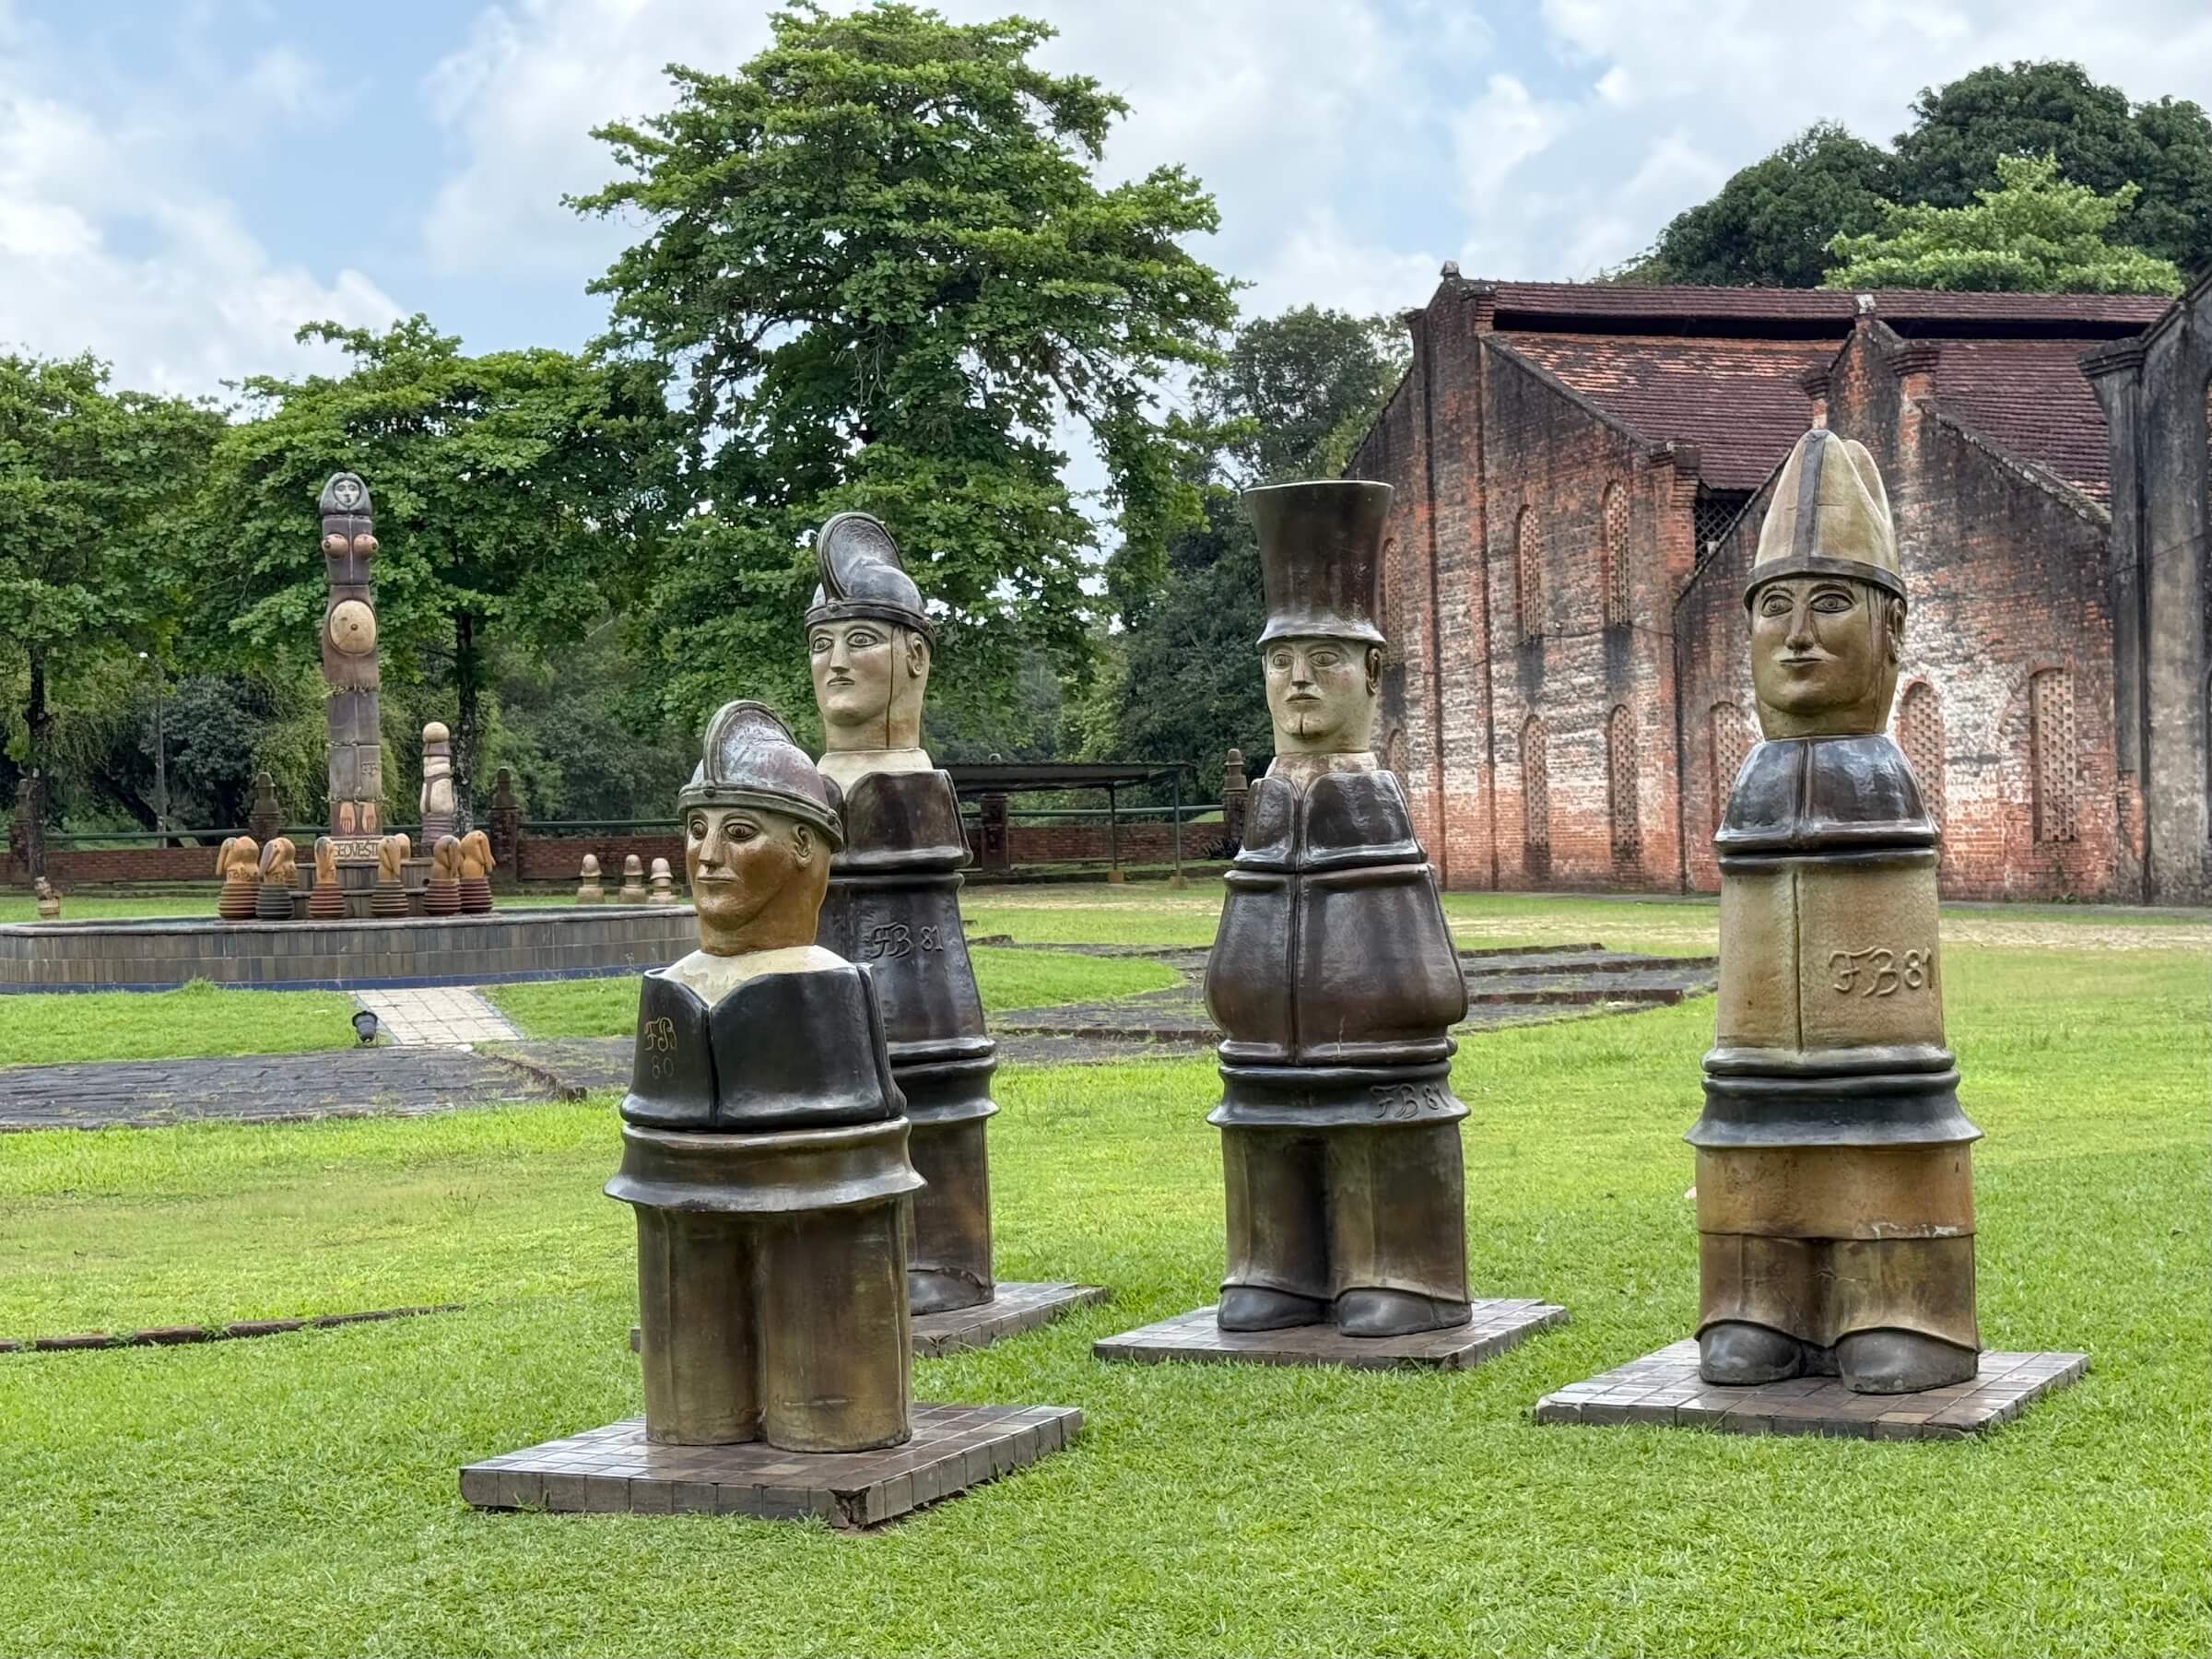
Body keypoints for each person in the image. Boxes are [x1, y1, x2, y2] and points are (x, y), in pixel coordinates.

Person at [1693, 428, 1980, 1394]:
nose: (1798, 635)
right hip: (1759, 1050)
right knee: (1752, 1149)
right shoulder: (1754, 781)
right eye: (1774, 608)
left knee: (1882, 1139)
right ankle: (1753, 1299)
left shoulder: (1881, 775)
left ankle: (1902, 1305)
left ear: (1890, 628)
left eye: (1829, 605)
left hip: (1877, 1039)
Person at [606, 700, 921, 1452]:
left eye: (739, 833)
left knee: (829, 1392)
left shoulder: (829, 984)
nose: (707, 855)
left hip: (822, 1206)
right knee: (690, 1405)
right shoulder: (673, 983)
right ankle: (702, 1414)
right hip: (680, 1195)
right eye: (696, 830)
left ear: (807, 851)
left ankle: (833, 1412)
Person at [1204, 480, 1473, 1339]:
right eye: (1281, 662)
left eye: (1324, 660)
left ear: (1372, 672)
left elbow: (1421, 954)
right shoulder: (1270, 796)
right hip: (1265, 1044)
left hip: (1370, 1047)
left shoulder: (1370, 793)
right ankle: (1273, 1267)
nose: (1300, 682)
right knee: (1264, 1133)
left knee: (1376, 1136)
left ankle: (1400, 1273)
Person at [806, 512, 1000, 1315]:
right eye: (822, 645)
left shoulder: (914, 782)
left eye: (860, 640)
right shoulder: (809, 783)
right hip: (825, 993)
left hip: (921, 985)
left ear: (914, 656)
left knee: (934, 1090)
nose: (836, 663)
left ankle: (946, 1258)